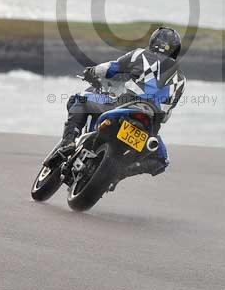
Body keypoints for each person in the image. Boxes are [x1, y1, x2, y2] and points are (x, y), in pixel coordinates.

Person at [55, 26, 186, 179]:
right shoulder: (181, 80)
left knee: (79, 98)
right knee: (162, 161)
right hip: (149, 127)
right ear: (176, 49)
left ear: (153, 41)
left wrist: (92, 71)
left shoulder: (141, 55)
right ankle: (118, 175)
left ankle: (68, 142)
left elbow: (110, 68)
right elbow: (166, 116)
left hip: (124, 107)